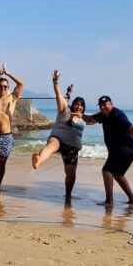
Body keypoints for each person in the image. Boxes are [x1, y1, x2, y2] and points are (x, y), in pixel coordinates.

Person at [81, 96, 133, 205]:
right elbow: (90, 120)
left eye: (105, 104)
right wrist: (79, 114)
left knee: (107, 171)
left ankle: (109, 200)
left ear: (111, 104)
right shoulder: (104, 115)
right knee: (118, 174)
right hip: (117, 150)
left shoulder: (117, 114)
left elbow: (132, 128)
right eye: (101, 105)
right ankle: (132, 200)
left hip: (125, 149)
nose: (103, 107)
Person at [31, 70, 86, 203]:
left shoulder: (83, 118)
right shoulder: (64, 110)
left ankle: (68, 195)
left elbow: (96, 120)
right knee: (51, 146)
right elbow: (59, 94)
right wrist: (56, 80)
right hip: (58, 139)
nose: (79, 107)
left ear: (83, 108)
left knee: (71, 173)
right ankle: (38, 161)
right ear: (72, 105)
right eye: (77, 104)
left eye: (81, 105)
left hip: (72, 147)